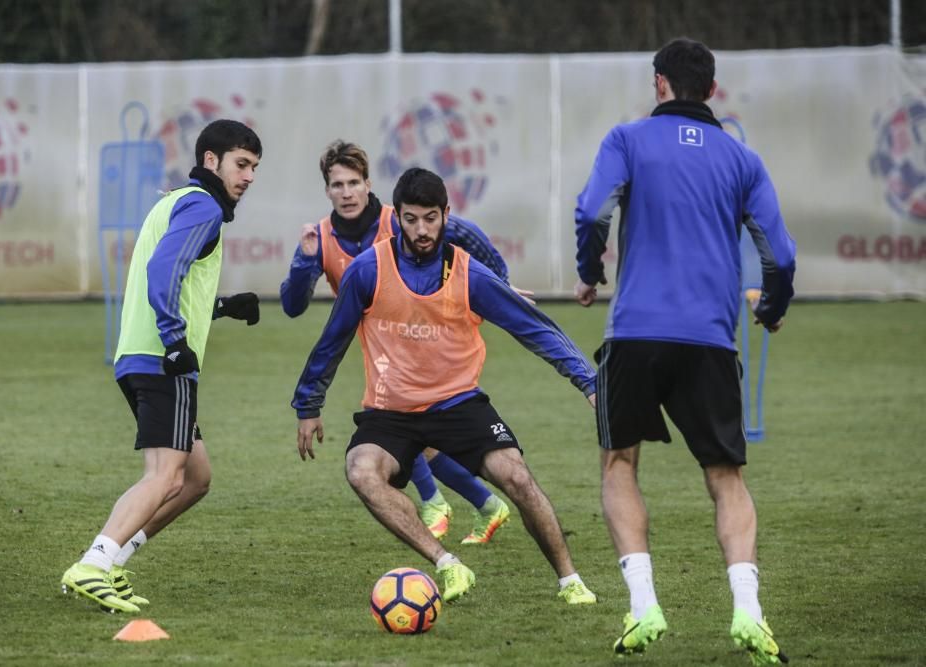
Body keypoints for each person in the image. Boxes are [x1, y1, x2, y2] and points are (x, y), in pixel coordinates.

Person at [574, 38, 795, 664]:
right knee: (726, 478)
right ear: (713, 92)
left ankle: (644, 604)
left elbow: (592, 213)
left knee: (620, 464)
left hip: (636, 333)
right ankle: (748, 613)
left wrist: (589, 273)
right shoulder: (742, 158)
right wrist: (771, 309)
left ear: (658, 83)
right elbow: (781, 253)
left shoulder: (626, 139)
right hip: (709, 339)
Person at [293, 166, 599, 605]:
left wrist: (587, 382)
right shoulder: (368, 270)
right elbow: (332, 341)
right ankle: (447, 563)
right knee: (361, 470)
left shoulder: (468, 273)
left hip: (458, 404)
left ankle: (571, 582)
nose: (421, 229)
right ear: (396, 216)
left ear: (445, 215)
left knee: (517, 478)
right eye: (412, 218)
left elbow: (536, 329)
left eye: (431, 218)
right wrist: (308, 404)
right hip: (391, 411)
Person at [60, 119, 263, 613]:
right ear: (211, 161)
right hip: (162, 361)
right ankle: (93, 564)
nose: (250, 176)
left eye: (255, 167)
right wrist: (175, 341)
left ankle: (112, 562)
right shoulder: (204, 207)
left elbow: (175, 281)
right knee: (165, 475)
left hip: (141, 356)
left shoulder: (176, 201)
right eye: (242, 164)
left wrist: (222, 306)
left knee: (196, 478)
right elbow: (162, 271)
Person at [281, 140, 515, 545]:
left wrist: (501, 287)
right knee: (407, 432)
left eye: (354, 182)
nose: (347, 192)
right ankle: (482, 504)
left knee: (403, 428)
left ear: (369, 184)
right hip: (384, 348)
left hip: (432, 339)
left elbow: (465, 233)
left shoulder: (399, 221)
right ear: (327, 190)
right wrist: (305, 261)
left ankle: (439, 501)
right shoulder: (320, 237)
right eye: (337, 185)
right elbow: (292, 305)